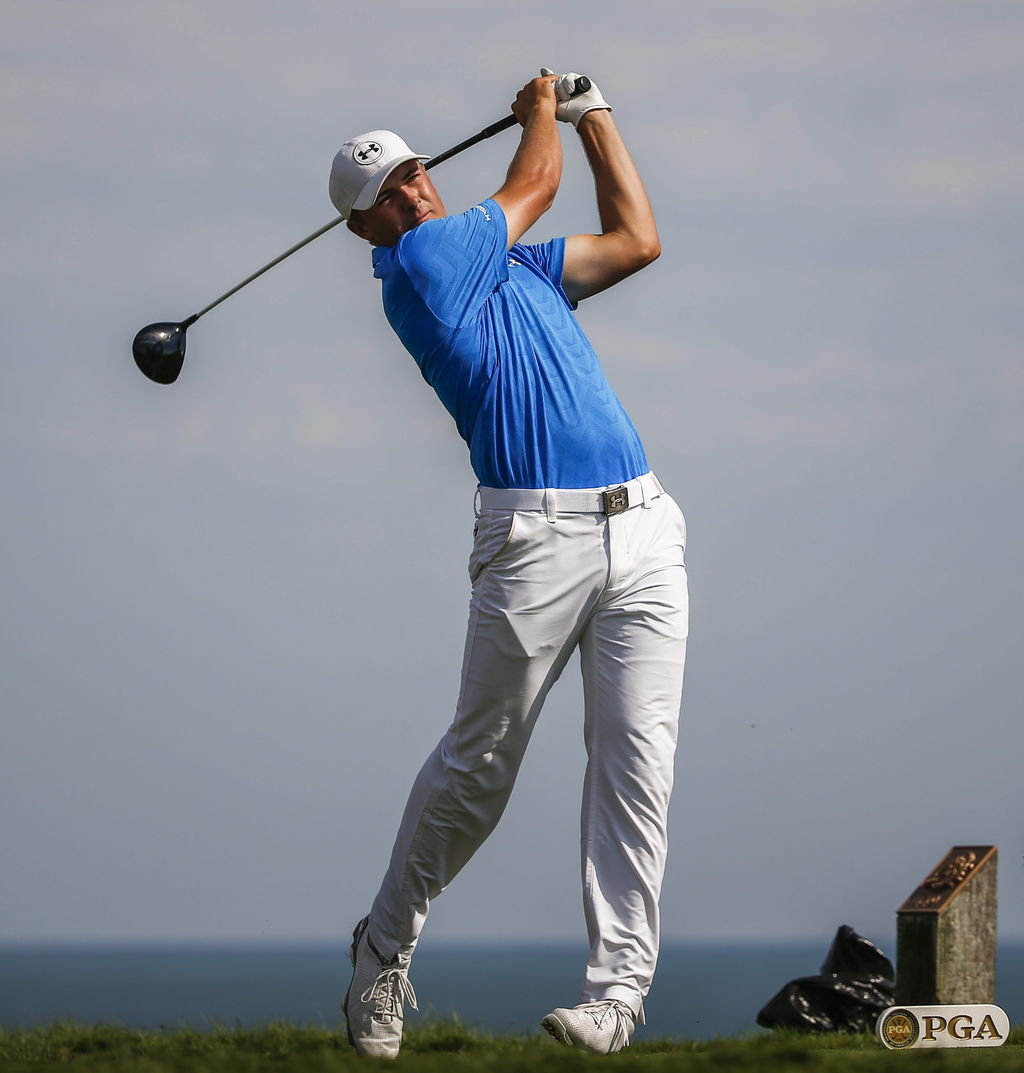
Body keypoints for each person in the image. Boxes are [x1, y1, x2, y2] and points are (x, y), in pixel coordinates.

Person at [328, 70, 688, 1059]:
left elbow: (636, 240)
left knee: (638, 762)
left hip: (644, 525)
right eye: (388, 194)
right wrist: (542, 114)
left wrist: (596, 114)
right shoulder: (422, 263)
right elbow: (533, 183)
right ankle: (384, 946)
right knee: (480, 767)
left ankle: (617, 995)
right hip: (535, 539)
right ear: (364, 230)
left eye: (414, 173)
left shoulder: (518, 265)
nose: (412, 193)